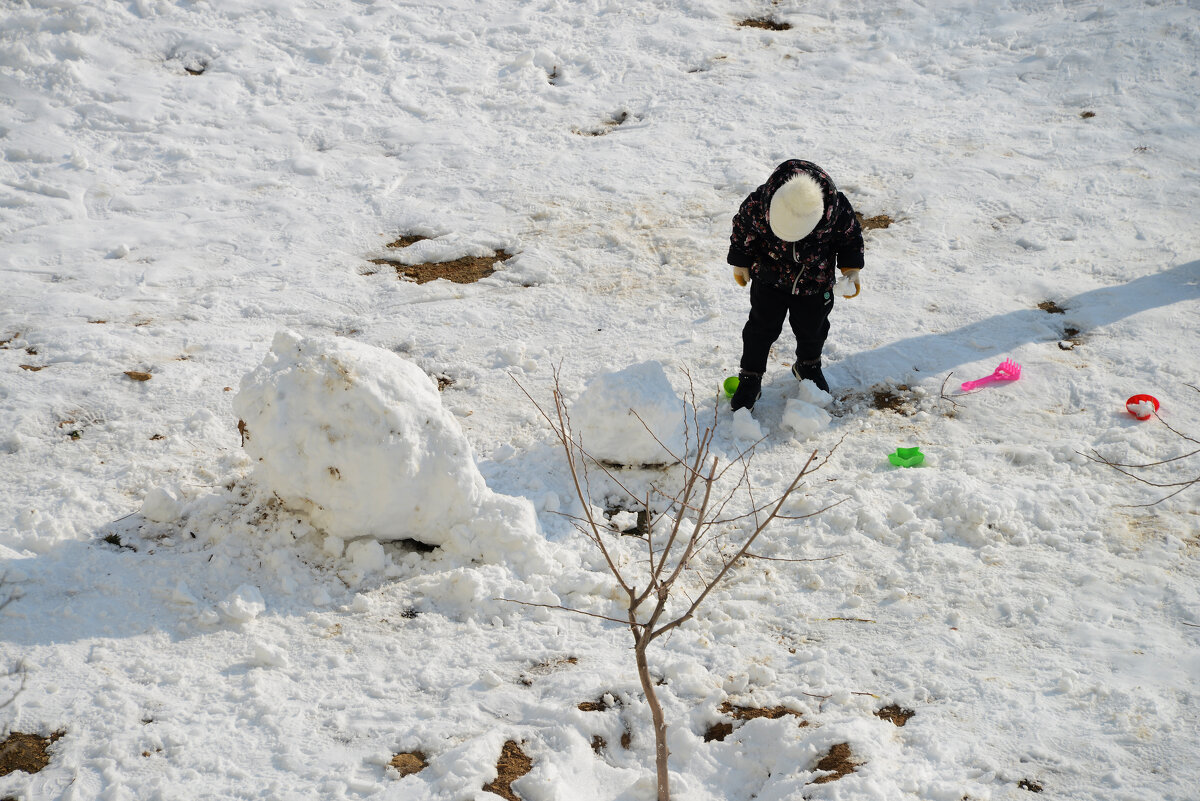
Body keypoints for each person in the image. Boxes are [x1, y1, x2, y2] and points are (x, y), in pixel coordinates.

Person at [726, 159, 864, 411]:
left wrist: (851, 268)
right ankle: (750, 377)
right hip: (769, 279)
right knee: (760, 329)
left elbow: (850, 238)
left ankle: (808, 365)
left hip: (815, 282)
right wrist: (740, 262)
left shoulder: (836, 210)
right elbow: (743, 230)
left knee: (813, 328)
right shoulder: (759, 203)